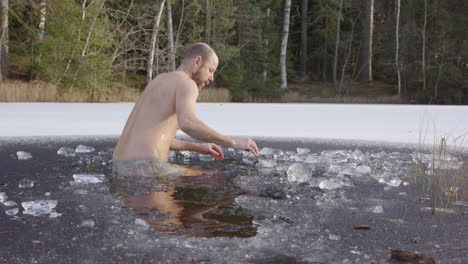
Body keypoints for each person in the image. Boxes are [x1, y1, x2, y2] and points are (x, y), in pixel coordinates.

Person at [113, 42, 259, 177]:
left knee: (202, 175)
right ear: (197, 62)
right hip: (147, 166)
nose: (212, 78)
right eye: (210, 70)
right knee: (212, 177)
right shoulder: (187, 84)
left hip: (120, 166)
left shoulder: (158, 81)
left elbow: (156, 137)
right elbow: (188, 123)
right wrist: (232, 142)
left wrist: (197, 147)